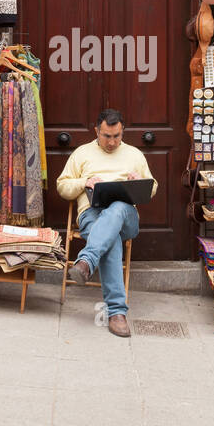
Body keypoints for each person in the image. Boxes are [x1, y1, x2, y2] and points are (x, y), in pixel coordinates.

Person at [55, 109, 158, 337]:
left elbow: (152, 188)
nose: (112, 142)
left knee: (119, 207)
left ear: (122, 132)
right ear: (96, 131)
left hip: (126, 219)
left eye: (117, 136)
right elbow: (62, 186)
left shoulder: (134, 154)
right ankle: (117, 313)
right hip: (91, 214)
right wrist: (85, 182)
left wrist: (140, 182)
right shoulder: (82, 153)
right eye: (106, 136)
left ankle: (86, 261)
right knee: (109, 241)